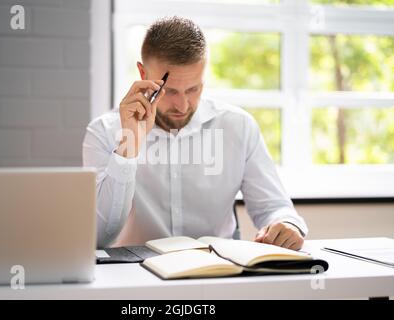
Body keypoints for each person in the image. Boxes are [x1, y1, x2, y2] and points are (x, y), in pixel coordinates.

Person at [83, 16, 308, 249]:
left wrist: (286, 224)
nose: (182, 105)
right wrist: (128, 147)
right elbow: (99, 237)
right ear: (143, 73)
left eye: (193, 89)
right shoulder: (103, 132)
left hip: (217, 271)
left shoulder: (238, 126)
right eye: (169, 91)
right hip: (135, 274)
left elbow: (274, 208)